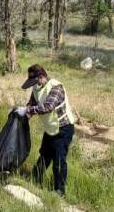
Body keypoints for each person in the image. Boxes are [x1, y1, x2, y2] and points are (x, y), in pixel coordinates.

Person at [15, 64, 76, 196]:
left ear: (41, 77)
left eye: (35, 81)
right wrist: (25, 113)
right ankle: (35, 179)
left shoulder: (56, 87)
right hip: (50, 129)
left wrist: (28, 110)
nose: (33, 85)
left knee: (58, 161)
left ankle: (59, 191)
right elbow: (32, 102)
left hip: (63, 129)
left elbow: (48, 106)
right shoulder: (37, 88)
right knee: (44, 155)